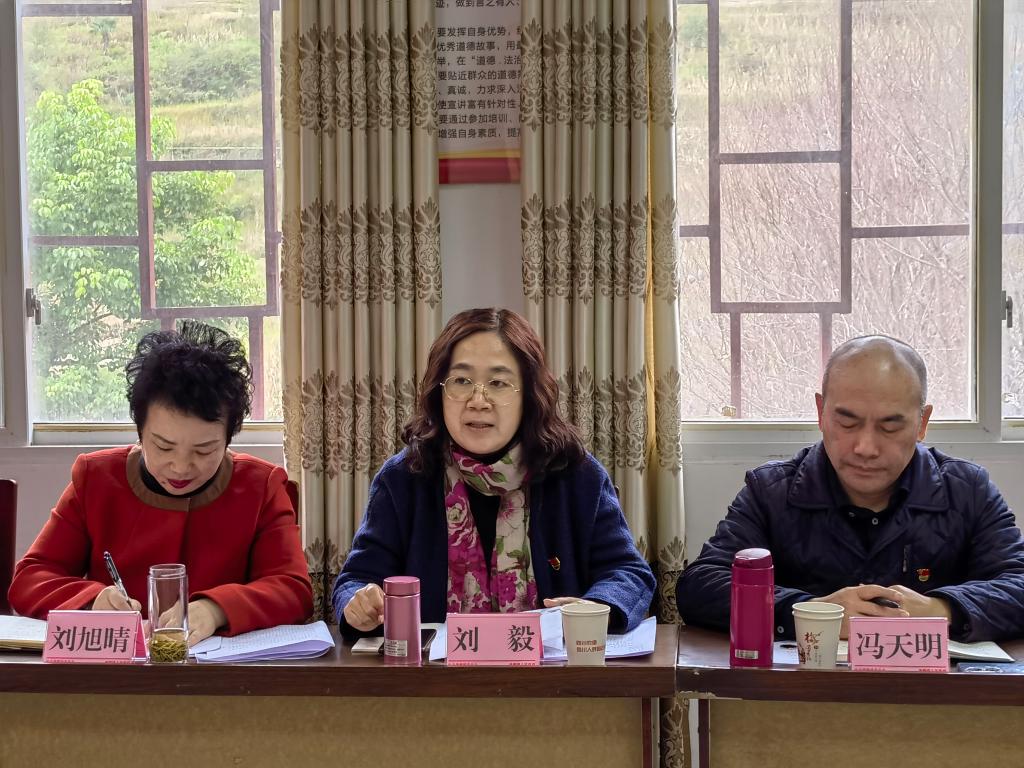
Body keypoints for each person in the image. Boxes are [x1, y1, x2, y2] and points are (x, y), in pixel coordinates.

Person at [678, 335, 1024, 642]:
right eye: (847, 422)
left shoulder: (966, 490)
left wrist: (941, 609)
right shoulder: (771, 492)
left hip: (929, 690)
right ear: (820, 412)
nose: (865, 448)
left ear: (922, 423)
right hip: (806, 690)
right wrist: (814, 612)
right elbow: (700, 586)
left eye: (890, 427)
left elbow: (1017, 582)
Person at [334, 307, 655, 638]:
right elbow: (356, 580)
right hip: (433, 669)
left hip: (552, 667)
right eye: (461, 381)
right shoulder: (404, 478)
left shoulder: (575, 475)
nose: (478, 400)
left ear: (529, 394)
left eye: (498, 383)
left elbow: (629, 573)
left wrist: (595, 607)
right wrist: (360, 603)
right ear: (439, 392)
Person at [9, 322, 313, 644]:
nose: (181, 467)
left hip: (219, 670)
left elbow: (293, 589)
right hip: (120, 669)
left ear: (228, 438)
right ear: (140, 432)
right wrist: (93, 600)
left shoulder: (261, 486)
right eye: (163, 447)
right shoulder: (95, 478)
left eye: (204, 450)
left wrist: (216, 609)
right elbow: (30, 579)